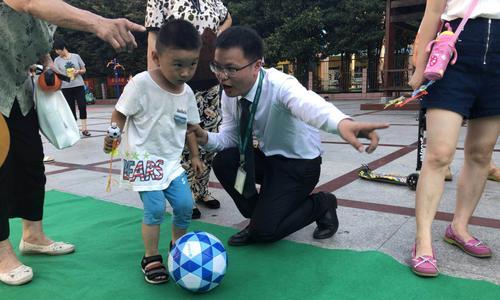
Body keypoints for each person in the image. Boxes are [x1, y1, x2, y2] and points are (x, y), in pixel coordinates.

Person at [188, 26, 389, 246]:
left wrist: (342, 123)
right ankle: (261, 219)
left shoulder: (280, 85)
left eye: (231, 69)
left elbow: (309, 104)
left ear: (257, 65)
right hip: (268, 159)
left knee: (265, 234)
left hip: (299, 167)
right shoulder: (230, 94)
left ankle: (322, 204)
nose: (222, 76)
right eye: (217, 67)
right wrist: (205, 138)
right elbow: (230, 139)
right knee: (225, 160)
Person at [0, 0, 145, 286]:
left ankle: (33, 236)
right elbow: (28, 3)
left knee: (31, 163)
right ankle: (1, 253)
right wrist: (99, 22)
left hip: (20, 89)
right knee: (0, 173)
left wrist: (47, 63)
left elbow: (37, 28)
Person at [103, 20, 204, 284]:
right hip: (143, 160)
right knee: (156, 209)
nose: (185, 72)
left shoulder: (188, 92)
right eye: (178, 64)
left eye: (192, 64)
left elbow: (190, 127)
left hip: (170, 161)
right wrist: (113, 138)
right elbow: (120, 113)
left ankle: (177, 248)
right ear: (156, 57)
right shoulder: (141, 84)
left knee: (184, 205)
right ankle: (150, 257)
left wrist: (194, 156)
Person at [408, 0, 500, 277]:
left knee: (481, 152)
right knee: (439, 154)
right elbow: (433, 13)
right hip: (456, 52)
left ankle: (459, 227)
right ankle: (423, 240)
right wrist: (418, 68)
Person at [145, 0, 232, 219]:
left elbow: (227, 17)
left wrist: (219, 32)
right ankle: (185, 196)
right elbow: (154, 38)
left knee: (208, 140)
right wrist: (153, 80)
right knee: (182, 142)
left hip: (211, 80)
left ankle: (202, 190)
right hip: (179, 82)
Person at [53, 40, 91, 136]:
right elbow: (56, 74)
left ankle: (85, 129)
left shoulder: (76, 56)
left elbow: (84, 70)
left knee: (82, 106)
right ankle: (74, 129)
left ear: (63, 48)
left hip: (78, 85)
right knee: (70, 109)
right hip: (66, 87)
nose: (56, 53)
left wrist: (77, 72)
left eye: (57, 50)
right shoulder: (57, 60)